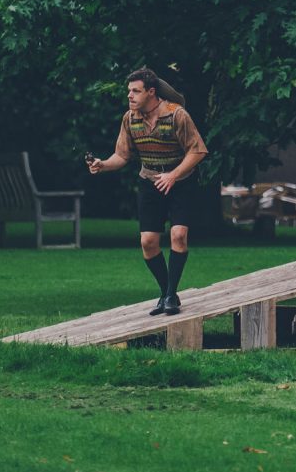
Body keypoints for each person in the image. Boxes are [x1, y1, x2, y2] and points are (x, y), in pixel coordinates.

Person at [87, 67, 208, 316]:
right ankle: (167, 293)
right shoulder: (129, 119)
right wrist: (103, 165)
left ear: (151, 92)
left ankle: (170, 296)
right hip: (149, 181)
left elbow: (198, 151)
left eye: (135, 91)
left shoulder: (176, 115)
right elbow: (122, 155)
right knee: (148, 242)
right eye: (128, 91)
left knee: (178, 235)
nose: (129, 96)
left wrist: (173, 175)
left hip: (181, 180)